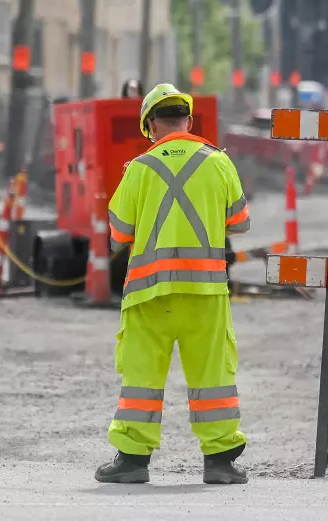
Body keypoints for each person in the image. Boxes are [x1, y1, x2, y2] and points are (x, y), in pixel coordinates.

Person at [95, 83, 250, 485]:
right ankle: (219, 463)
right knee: (213, 376)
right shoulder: (218, 162)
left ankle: (131, 462)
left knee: (142, 378)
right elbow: (241, 223)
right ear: (190, 120)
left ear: (150, 125)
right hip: (206, 293)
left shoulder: (140, 168)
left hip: (150, 294)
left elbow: (119, 231)